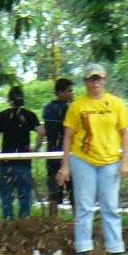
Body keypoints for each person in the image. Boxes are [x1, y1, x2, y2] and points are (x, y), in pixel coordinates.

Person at [56, 63, 128, 255]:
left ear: (104, 80)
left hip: (110, 160)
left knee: (111, 205)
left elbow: (124, 133)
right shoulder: (77, 106)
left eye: (98, 78)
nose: (95, 82)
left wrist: (125, 161)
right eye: (91, 78)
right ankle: (83, 248)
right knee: (84, 205)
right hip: (84, 160)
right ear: (86, 82)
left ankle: (115, 248)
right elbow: (68, 136)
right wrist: (65, 165)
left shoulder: (116, 104)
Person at [0, 86, 44, 221]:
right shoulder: (29, 115)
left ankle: (8, 223)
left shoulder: (2, 116)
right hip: (23, 162)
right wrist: (35, 150)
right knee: (24, 196)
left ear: (9, 100)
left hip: (6, 161)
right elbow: (42, 132)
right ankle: (24, 224)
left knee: (6, 197)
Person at [43, 77, 74, 218]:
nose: (72, 94)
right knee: (74, 192)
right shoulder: (69, 110)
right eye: (69, 91)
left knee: (53, 195)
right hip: (68, 155)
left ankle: (52, 222)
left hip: (51, 154)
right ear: (60, 92)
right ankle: (78, 222)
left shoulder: (47, 109)